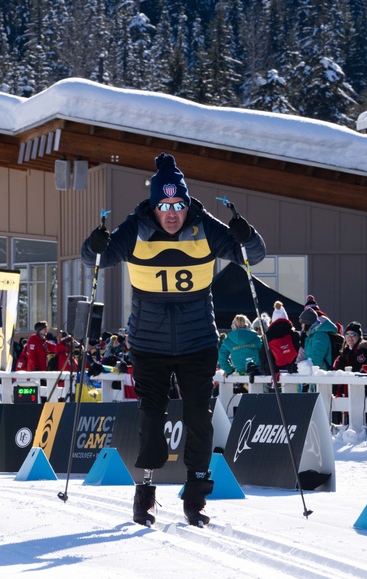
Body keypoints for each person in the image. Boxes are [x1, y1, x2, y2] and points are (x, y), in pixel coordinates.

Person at [80, 152, 265, 527]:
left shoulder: (204, 226)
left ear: (186, 204)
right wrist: (93, 244)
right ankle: (145, 493)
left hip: (198, 342)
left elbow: (253, 256)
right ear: (154, 205)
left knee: (199, 416)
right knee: (151, 417)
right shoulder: (135, 227)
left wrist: (248, 235)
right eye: (164, 205)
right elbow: (94, 260)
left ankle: (195, 496)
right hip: (149, 344)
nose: (172, 213)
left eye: (178, 204)